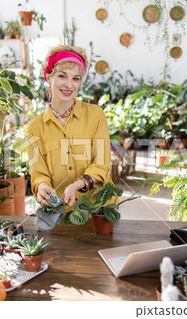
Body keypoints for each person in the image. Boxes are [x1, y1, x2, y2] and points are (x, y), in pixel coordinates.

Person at [27, 45, 113, 210]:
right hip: (61, 214)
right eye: (62, 76)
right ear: (48, 77)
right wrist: (42, 186)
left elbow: (102, 162)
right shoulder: (35, 128)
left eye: (76, 78)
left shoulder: (96, 115)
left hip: (99, 212)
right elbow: (38, 173)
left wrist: (77, 185)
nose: (69, 85)